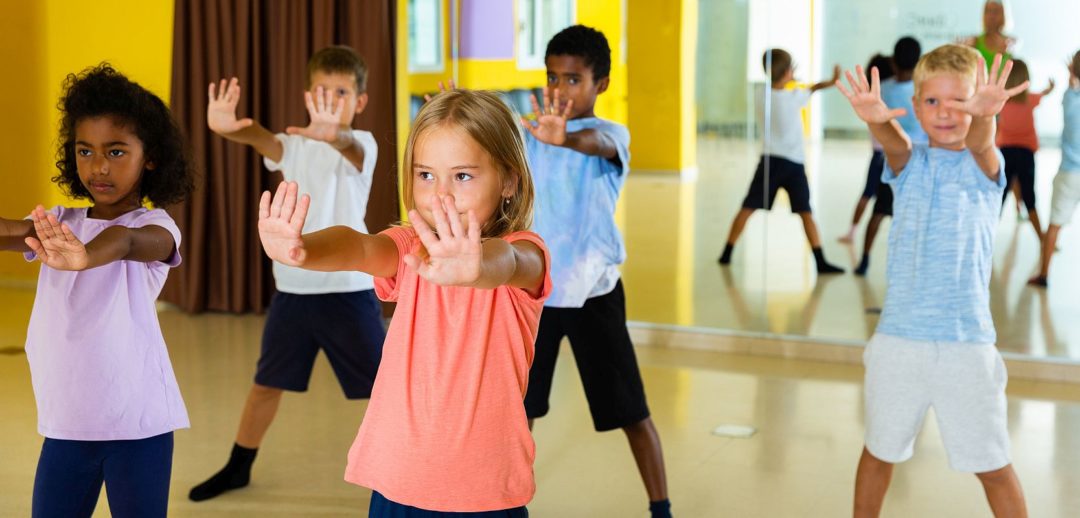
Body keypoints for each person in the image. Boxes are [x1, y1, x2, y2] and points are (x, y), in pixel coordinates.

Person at [260, 89, 550, 515]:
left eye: (463, 176)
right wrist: (303, 248)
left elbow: (508, 262)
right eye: (426, 175)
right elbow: (359, 247)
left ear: (509, 180)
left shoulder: (525, 251)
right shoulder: (410, 247)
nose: (440, 197)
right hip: (399, 481)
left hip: (484, 491)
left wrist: (475, 267)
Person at [837, 45, 1029, 517]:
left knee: (993, 463)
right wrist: (875, 120)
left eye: (959, 102)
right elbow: (895, 141)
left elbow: (983, 142)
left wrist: (984, 117)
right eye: (932, 102)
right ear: (916, 100)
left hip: (967, 345)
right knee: (879, 451)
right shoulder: (909, 165)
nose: (946, 113)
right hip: (899, 341)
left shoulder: (986, 168)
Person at [190, 45, 386, 501]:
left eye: (341, 92)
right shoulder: (293, 145)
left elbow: (349, 146)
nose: (331, 100)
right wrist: (230, 128)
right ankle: (239, 465)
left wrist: (335, 135)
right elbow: (262, 139)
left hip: (348, 292)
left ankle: (404, 468)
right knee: (265, 386)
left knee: (383, 391)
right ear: (306, 95)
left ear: (359, 102)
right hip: (294, 295)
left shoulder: (365, 145)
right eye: (322, 91)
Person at [0, 63, 195, 518]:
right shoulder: (61, 222)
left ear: (150, 157)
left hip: (138, 427)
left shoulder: (154, 225)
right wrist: (64, 241)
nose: (98, 166)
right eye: (85, 150)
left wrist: (84, 256)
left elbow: (126, 242)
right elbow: (13, 231)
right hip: (67, 427)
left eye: (116, 151)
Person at [518, 25, 673, 518]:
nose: (560, 90)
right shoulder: (534, 136)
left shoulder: (611, 135)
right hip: (535, 294)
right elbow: (497, 137)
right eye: (553, 79)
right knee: (519, 413)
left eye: (573, 79)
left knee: (632, 412)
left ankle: (661, 507)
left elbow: (595, 145)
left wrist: (564, 139)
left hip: (593, 295)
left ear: (600, 84)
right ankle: (501, 503)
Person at [718, 48, 844, 274]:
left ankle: (727, 252)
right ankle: (820, 260)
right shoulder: (793, 96)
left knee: (747, 207)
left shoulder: (760, 94)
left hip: (769, 161)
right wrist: (833, 81)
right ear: (787, 71)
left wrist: (788, 78)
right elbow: (813, 88)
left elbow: (798, 87)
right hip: (793, 164)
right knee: (806, 212)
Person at [854, 36, 925, 276]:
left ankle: (864, 259)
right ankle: (914, 264)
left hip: (891, 158)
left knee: (879, 212)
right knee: (916, 217)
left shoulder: (883, 89)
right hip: (920, 158)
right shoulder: (922, 90)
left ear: (894, 62)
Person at [1029, 50, 1080, 288]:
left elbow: (1072, 89)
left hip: (1070, 172)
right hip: (1069, 172)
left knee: (1054, 226)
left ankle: (1044, 275)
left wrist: (1072, 76)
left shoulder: (1071, 99)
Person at [839, 53, 895, 244]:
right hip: (888, 155)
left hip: (878, 155)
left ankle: (852, 232)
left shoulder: (873, 96)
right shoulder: (889, 94)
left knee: (867, 194)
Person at [996, 59, 1054, 240]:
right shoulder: (1031, 99)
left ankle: (986, 237)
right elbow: (1044, 93)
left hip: (1005, 153)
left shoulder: (1001, 102)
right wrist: (1050, 88)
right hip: (1026, 154)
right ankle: (1043, 240)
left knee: (1000, 198)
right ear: (1025, 79)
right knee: (1030, 198)